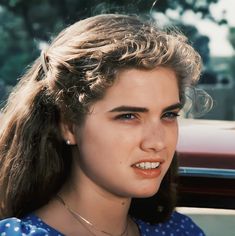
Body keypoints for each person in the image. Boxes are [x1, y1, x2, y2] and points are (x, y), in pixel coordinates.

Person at [0, 14, 207, 235]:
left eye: (168, 114)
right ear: (69, 125)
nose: (156, 142)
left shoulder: (181, 231)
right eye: (129, 116)